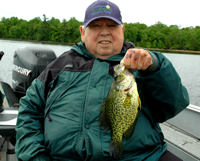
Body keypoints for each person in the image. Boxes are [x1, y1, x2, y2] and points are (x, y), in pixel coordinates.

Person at [15, 0, 189, 160]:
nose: (104, 31)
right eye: (95, 25)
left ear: (122, 30)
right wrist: (36, 156)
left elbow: (173, 104)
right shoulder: (58, 66)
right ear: (83, 32)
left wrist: (156, 66)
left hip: (140, 157)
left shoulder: (141, 64)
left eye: (112, 25)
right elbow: (29, 111)